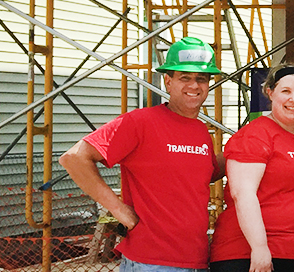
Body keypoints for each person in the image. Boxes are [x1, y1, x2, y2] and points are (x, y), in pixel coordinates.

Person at [58, 37, 224, 271]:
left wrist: (246, 147)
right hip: (151, 262)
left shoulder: (201, 132)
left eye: (201, 79)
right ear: (168, 81)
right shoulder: (140, 122)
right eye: (184, 78)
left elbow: (201, 176)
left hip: (195, 259)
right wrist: (118, 210)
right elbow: (74, 158)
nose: (194, 85)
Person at [208, 64, 294, 272]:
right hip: (250, 255)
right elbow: (242, 193)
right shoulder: (255, 134)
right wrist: (260, 248)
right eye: (286, 91)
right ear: (270, 92)